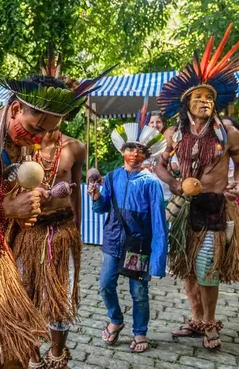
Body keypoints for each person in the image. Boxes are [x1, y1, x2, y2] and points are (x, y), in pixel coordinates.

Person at [0, 68, 108, 369]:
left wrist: (28, 205)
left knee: (19, 345)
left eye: (47, 131)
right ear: (15, 109)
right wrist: (5, 210)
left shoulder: (26, 141)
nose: (40, 138)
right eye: (35, 128)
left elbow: (14, 192)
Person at [154, 23, 239, 352]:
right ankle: (196, 319)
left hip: (214, 207)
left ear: (215, 103)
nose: (203, 101)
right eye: (197, 96)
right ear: (186, 101)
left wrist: (235, 182)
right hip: (183, 209)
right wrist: (174, 183)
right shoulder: (175, 135)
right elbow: (160, 165)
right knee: (186, 267)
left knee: (207, 270)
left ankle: (211, 323)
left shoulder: (228, 133)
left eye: (208, 97)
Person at [5, 51, 88, 368]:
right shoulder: (21, 145)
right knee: (26, 292)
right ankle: (31, 353)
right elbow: (8, 186)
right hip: (28, 230)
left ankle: (57, 353)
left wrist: (77, 229)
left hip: (61, 229)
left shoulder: (75, 148)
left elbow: (76, 189)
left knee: (58, 295)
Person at [89, 110, 167, 354]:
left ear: (147, 155)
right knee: (104, 285)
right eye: (130, 149)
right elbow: (103, 208)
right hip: (113, 241)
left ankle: (140, 332)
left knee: (138, 292)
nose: (134, 154)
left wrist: (157, 261)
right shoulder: (112, 177)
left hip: (138, 245)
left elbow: (159, 224)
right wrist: (96, 197)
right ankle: (116, 319)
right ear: (122, 151)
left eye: (140, 151)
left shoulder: (151, 183)